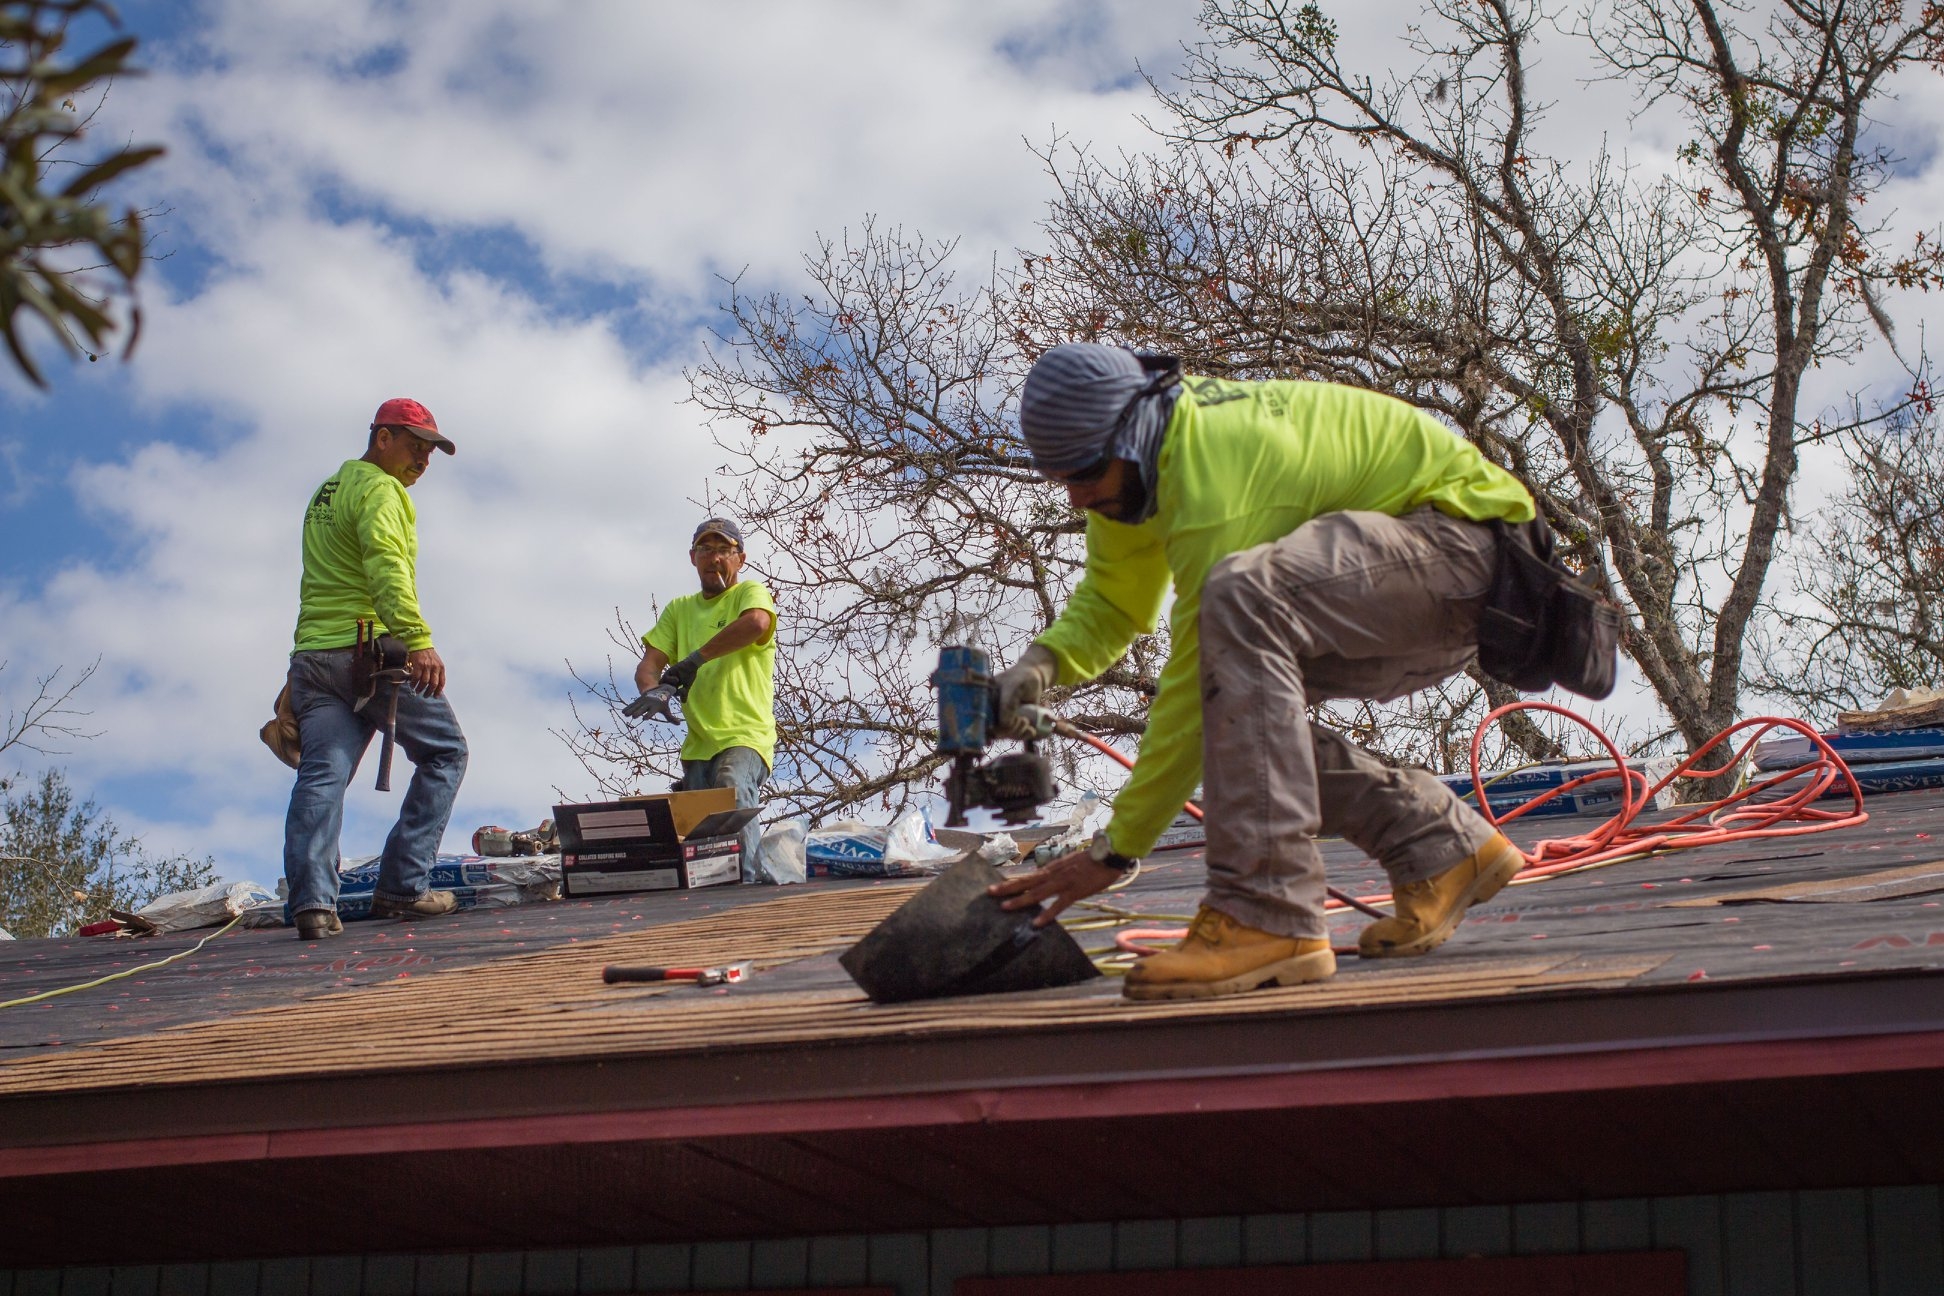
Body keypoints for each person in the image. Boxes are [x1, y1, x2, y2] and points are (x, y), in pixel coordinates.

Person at [988, 344, 1539, 1000]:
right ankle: (1439, 845)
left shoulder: (1211, 468)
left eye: (1084, 473)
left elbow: (1195, 685)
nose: (1079, 497)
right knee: (1241, 715)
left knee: (1236, 607)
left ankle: (1265, 915)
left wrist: (1114, 850)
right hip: (1401, 578)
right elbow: (1113, 601)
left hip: (1467, 556)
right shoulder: (1136, 475)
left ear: (1131, 435)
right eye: (1063, 480)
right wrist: (1040, 664)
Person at [283, 398, 469, 941]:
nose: (423, 462)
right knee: (446, 751)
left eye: (430, 452)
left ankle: (314, 905)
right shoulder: (380, 490)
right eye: (415, 447)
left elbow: (322, 584)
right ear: (381, 438)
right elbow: (385, 565)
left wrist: (291, 679)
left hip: (313, 659)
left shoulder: (327, 491)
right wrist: (418, 642)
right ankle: (402, 887)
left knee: (323, 774)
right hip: (366, 656)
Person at [625, 517, 778, 880]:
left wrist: (695, 659)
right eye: (706, 549)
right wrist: (656, 691)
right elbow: (648, 667)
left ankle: (749, 888)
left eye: (724, 550)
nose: (715, 558)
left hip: (746, 736)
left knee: (731, 789)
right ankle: (710, 904)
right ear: (692, 558)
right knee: (700, 837)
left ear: (740, 559)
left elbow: (756, 623)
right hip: (698, 745)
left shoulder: (748, 594)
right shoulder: (680, 609)